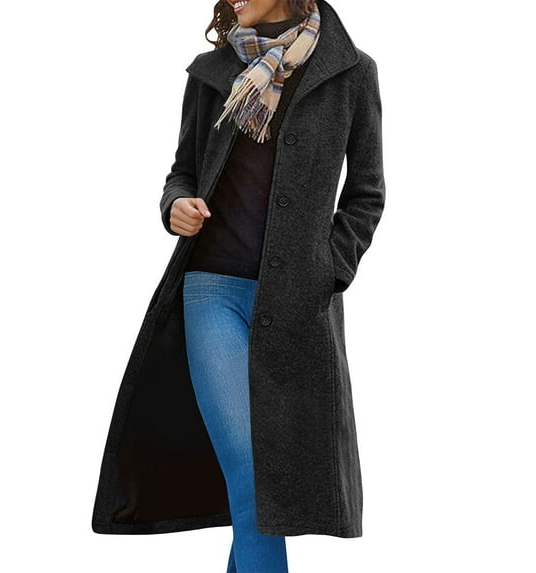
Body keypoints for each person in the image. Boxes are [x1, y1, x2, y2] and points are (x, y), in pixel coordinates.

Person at [164, 1, 383, 571]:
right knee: (252, 472)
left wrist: (329, 269)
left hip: (294, 305)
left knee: (261, 484)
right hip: (211, 289)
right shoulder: (213, 71)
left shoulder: (351, 73)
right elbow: (183, 171)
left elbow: (366, 193)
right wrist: (175, 205)